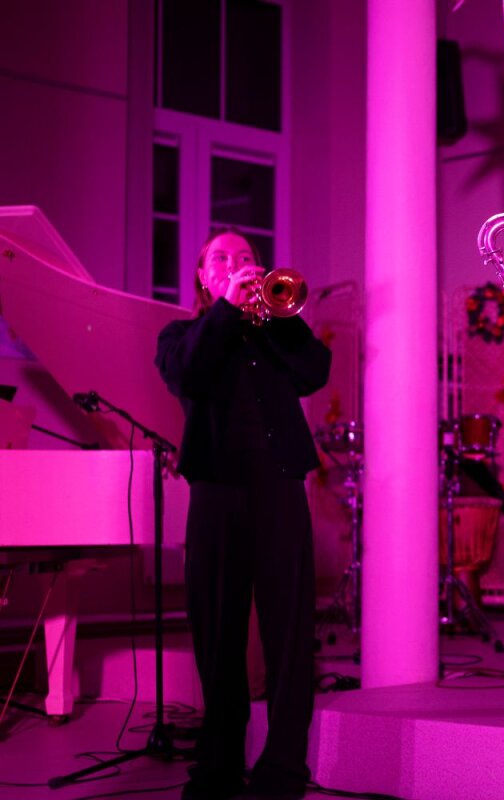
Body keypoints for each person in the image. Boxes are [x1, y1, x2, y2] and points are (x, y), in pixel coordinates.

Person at [156, 230, 331, 799]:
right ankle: (219, 765)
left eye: (247, 258)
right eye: (222, 259)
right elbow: (188, 374)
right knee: (218, 636)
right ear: (203, 277)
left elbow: (315, 370)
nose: (236, 266)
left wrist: (279, 316)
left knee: (289, 635)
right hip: (215, 491)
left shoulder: (276, 331)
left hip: (280, 487)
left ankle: (283, 770)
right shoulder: (181, 335)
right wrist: (228, 311)